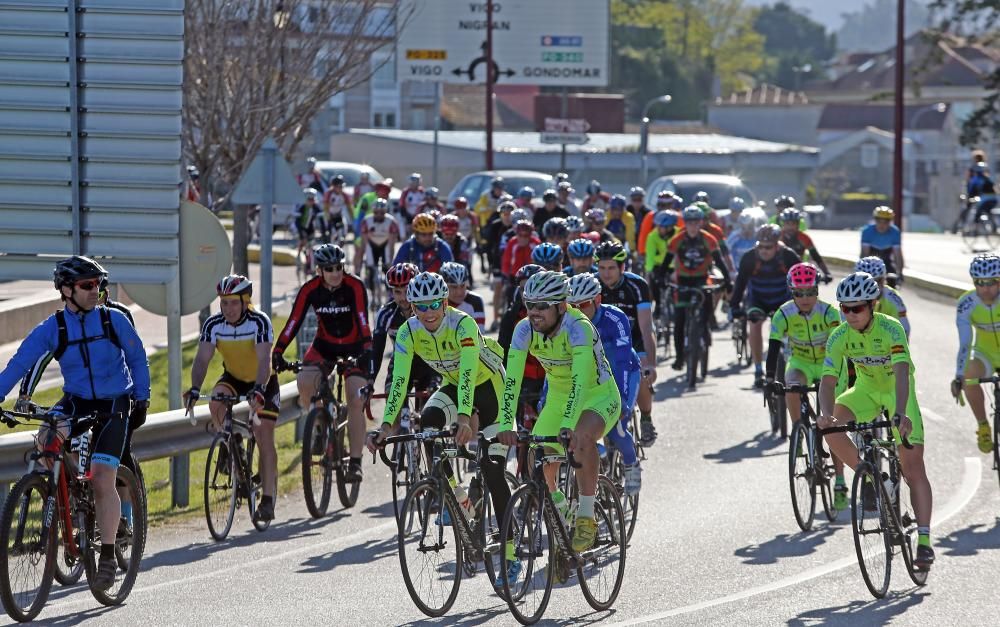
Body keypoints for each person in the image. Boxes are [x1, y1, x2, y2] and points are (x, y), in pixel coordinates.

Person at [0, 255, 150, 590]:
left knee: (101, 478)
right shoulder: (53, 328)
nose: (95, 290)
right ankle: (56, 495)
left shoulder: (113, 321)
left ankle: (108, 556)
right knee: (44, 440)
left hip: (115, 401)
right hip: (78, 399)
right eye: (86, 285)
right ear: (66, 290)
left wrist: (142, 398)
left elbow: (137, 358)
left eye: (97, 284)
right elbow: (19, 363)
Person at [367, 272, 518, 586]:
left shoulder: (462, 324)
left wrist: (464, 419)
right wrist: (385, 426)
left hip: (489, 387)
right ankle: (455, 494)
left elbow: (467, 374)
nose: (429, 312)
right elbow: (399, 382)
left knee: (492, 469)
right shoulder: (409, 331)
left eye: (435, 303)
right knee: (428, 423)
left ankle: (511, 550)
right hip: (452, 386)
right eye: (421, 306)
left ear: (446, 301)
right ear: (412, 307)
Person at [497, 271, 622, 554]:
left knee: (579, 439)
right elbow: (512, 381)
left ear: (561, 306)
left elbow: (580, 381)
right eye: (530, 305)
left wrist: (567, 425)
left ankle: (587, 517)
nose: (534, 313)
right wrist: (506, 422)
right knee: (536, 456)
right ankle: (561, 510)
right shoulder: (523, 330)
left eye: (543, 306)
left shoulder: (579, 327)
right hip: (558, 397)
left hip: (596, 395)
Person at [818, 272, 935, 570]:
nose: (850, 314)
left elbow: (900, 371)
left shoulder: (891, 328)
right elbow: (829, 381)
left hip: (898, 391)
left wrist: (901, 413)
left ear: (872, 305)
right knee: (830, 427)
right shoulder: (840, 335)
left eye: (857, 308)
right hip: (867, 390)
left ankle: (923, 541)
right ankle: (871, 476)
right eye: (844, 308)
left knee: (912, 466)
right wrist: (825, 412)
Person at [272, 244, 374, 482]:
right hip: (324, 345)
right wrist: (278, 351)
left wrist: (367, 349)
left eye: (339, 267)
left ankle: (356, 463)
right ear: (319, 270)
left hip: (355, 346)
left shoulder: (354, 286)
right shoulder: (310, 289)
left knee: (356, 399)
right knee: (305, 380)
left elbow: (362, 319)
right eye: (329, 268)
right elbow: (293, 321)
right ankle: (319, 426)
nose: (336, 272)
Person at [185, 275, 280, 521]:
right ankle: (232, 442)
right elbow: (202, 359)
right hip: (234, 377)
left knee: (263, 434)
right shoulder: (213, 324)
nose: (228, 309)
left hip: (263, 380)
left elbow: (264, 362)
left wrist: (259, 390)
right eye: (224, 303)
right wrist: (195, 387)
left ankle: (268, 500)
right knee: (215, 402)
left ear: (245, 301)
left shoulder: (259, 322)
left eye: (233, 303)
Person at [765, 264, 847, 508]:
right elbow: (773, 346)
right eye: (798, 293)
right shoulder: (783, 313)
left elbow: (842, 345)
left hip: (828, 364)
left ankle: (841, 480)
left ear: (817, 290)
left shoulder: (830, 312)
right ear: (791, 292)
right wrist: (769, 378)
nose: (805, 298)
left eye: (810, 292)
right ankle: (798, 430)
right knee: (791, 385)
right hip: (800, 362)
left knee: (830, 423)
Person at [567, 273, 642, 495]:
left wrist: (620, 403)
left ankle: (631, 465)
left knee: (617, 429)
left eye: (583, 305)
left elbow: (621, 361)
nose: (577, 311)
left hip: (624, 372)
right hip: (591, 381)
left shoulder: (615, 319)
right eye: (572, 306)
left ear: (597, 300)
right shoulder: (568, 324)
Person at [595, 241, 661, 446]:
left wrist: (651, 363)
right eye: (602, 268)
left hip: (634, 339)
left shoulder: (637, 285)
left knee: (640, 373)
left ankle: (647, 418)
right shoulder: (592, 286)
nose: (606, 274)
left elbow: (646, 326)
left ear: (622, 267)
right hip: (603, 342)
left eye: (611, 268)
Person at [659, 206, 733, 372]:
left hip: (701, 280)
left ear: (701, 222)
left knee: (706, 313)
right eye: (689, 222)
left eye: (696, 222)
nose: (692, 225)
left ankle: (705, 336)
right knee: (679, 320)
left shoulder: (709, 239)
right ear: (685, 223)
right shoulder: (677, 240)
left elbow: (719, 261)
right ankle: (679, 358)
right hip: (683, 280)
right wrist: (661, 278)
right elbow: (666, 263)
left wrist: (727, 280)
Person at [729, 224, 801, 388]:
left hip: (783, 300)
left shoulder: (788, 256)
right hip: (758, 300)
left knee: (792, 328)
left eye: (768, 247)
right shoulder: (750, 258)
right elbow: (740, 284)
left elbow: (804, 277)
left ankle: (794, 363)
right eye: (760, 246)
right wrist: (734, 307)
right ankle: (758, 369)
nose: (764, 251)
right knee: (754, 324)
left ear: (777, 246)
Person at [951, 253, 1000, 455]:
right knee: (970, 373)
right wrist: (959, 375)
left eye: (991, 282)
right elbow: (965, 343)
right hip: (985, 353)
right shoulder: (966, 303)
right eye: (979, 283)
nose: (985, 288)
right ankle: (983, 425)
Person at [371, 263, 438, 409]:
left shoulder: (429, 310)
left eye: (407, 291)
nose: (403, 298)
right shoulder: (385, 314)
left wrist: (436, 378)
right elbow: (376, 352)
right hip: (400, 364)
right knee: (394, 408)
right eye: (397, 292)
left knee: (429, 417)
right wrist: (370, 382)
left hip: (429, 364)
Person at [856, 256, 909, 337]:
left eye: (877, 281)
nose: (871, 287)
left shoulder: (893, 298)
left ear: (884, 280)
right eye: (865, 283)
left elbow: (904, 329)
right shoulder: (850, 298)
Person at [483, 200, 516, 330]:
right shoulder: (495, 226)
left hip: (512, 264)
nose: (507, 217)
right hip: (498, 262)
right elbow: (489, 246)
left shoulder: (517, 227)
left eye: (509, 214)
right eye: (504, 214)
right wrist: (490, 264)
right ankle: (495, 318)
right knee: (497, 289)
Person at [355, 197, 400, 284]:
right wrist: (361, 257)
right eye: (376, 212)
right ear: (373, 211)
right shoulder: (366, 221)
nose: (379, 215)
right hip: (371, 244)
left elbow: (391, 245)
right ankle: (360, 274)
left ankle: (389, 288)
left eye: (382, 212)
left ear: (385, 211)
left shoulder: (392, 222)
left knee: (387, 267)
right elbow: (364, 242)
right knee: (367, 261)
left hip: (385, 244)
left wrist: (390, 261)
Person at [643, 210, 679, 317]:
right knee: (655, 281)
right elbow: (650, 255)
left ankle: (677, 305)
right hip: (658, 265)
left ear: (670, 227)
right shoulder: (652, 236)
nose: (658, 228)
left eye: (661, 226)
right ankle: (658, 304)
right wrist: (649, 272)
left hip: (675, 265)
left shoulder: (679, 233)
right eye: (657, 226)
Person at [778, 208, 831, 277]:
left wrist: (826, 273)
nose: (790, 227)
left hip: (798, 273)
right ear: (783, 224)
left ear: (798, 224)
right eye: (787, 223)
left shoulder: (804, 238)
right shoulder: (777, 237)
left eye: (793, 224)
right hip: (778, 273)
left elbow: (816, 256)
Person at [860, 206, 904, 284]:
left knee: (892, 279)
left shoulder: (895, 232)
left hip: (887, 262)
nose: (882, 225)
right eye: (879, 221)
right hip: (871, 262)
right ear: (875, 220)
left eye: (885, 222)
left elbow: (898, 254)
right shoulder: (867, 231)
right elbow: (864, 254)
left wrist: (900, 272)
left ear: (890, 222)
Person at [440, 262, 486, 332]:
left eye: (462, 286)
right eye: (454, 287)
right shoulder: (436, 304)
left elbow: (479, 335)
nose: (459, 292)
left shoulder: (476, 301)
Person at [501, 219, 540, 292]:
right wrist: (506, 275)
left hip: (532, 277)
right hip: (514, 277)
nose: (522, 238)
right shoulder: (512, 242)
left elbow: (540, 262)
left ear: (530, 235)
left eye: (526, 236)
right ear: (516, 234)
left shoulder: (535, 244)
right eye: (520, 235)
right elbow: (506, 260)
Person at [293, 188, 325, 263]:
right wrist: (301, 233)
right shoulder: (302, 207)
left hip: (311, 228)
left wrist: (324, 231)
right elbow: (297, 221)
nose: (311, 201)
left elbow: (321, 217)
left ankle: (311, 263)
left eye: (313, 199)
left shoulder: (315, 207)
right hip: (301, 227)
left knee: (312, 244)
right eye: (309, 199)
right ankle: (299, 254)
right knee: (303, 240)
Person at [438, 214, 473, 278]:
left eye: (452, 234)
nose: (449, 236)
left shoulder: (462, 241)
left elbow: (464, 263)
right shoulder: (436, 240)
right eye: (446, 234)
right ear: (441, 231)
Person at [323, 175, 352, 243]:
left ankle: (340, 245)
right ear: (334, 186)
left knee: (344, 232)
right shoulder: (329, 194)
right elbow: (326, 208)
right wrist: (328, 218)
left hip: (339, 215)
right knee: (332, 234)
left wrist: (353, 218)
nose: (341, 188)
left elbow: (349, 207)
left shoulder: (344, 195)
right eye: (339, 187)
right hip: (330, 216)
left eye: (342, 186)